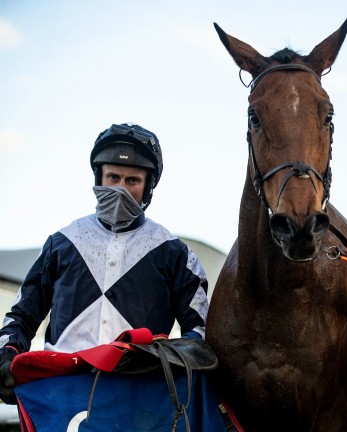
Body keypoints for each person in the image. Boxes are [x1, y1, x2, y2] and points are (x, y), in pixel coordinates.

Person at [0, 123, 210, 405]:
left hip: (140, 398)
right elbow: (21, 316)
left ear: (149, 186)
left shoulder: (174, 253)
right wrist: (7, 354)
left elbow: (199, 334)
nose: (121, 189)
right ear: (99, 178)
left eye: (132, 181)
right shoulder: (61, 243)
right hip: (61, 394)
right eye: (113, 177)